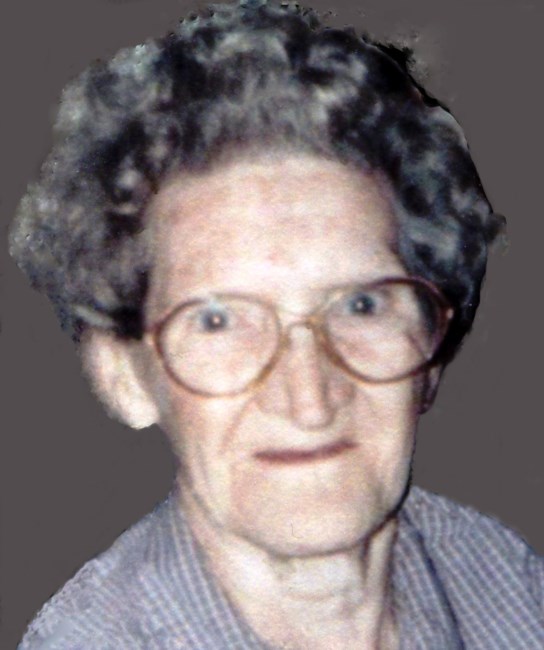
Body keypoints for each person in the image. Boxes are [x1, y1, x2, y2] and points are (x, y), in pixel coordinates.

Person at [8, 1, 544, 647]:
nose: (309, 398)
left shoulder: (504, 577)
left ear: (432, 342)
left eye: (361, 305)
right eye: (218, 320)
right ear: (124, 376)